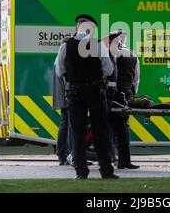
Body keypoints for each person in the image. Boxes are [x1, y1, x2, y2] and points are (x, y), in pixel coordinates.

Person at [55, 14, 118, 179]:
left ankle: (81, 172)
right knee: (101, 132)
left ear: (77, 28)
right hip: (96, 91)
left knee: (77, 133)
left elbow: (59, 71)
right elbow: (109, 69)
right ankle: (106, 171)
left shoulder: (66, 46)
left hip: (75, 92)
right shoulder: (97, 45)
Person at [104, 30, 139, 170]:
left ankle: (115, 158)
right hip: (127, 92)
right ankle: (123, 159)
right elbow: (136, 78)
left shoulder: (110, 54)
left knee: (112, 128)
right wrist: (132, 93)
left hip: (113, 94)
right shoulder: (132, 54)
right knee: (123, 128)